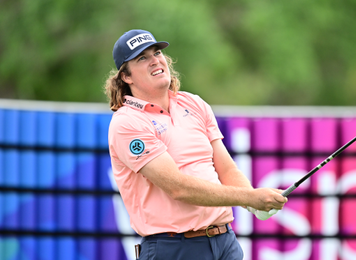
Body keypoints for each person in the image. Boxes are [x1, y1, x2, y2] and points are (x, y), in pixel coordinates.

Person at [104, 29, 287, 260]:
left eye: (157, 52)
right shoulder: (127, 122)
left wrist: (255, 203)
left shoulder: (194, 103)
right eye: (142, 58)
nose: (155, 60)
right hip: (173, 248)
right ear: (126, 77)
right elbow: (178, 188)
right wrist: (248, 198)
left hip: (225, 242)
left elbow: (226, 169)